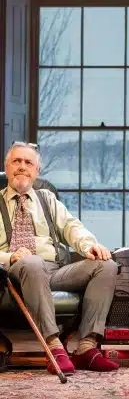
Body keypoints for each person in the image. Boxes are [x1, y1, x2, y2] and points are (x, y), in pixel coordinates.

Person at [0, 142, 120, 375]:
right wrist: (10, 256)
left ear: (36, 171)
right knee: (32, 262)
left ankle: (86, 347)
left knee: (105, 266)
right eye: (16, 161)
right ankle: (54, 347)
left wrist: (90, 245)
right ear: (7, 168)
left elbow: (72, 227)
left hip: (53, 270)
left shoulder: (46, 199)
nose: (22, 167)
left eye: (28, 162)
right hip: (12, 274)